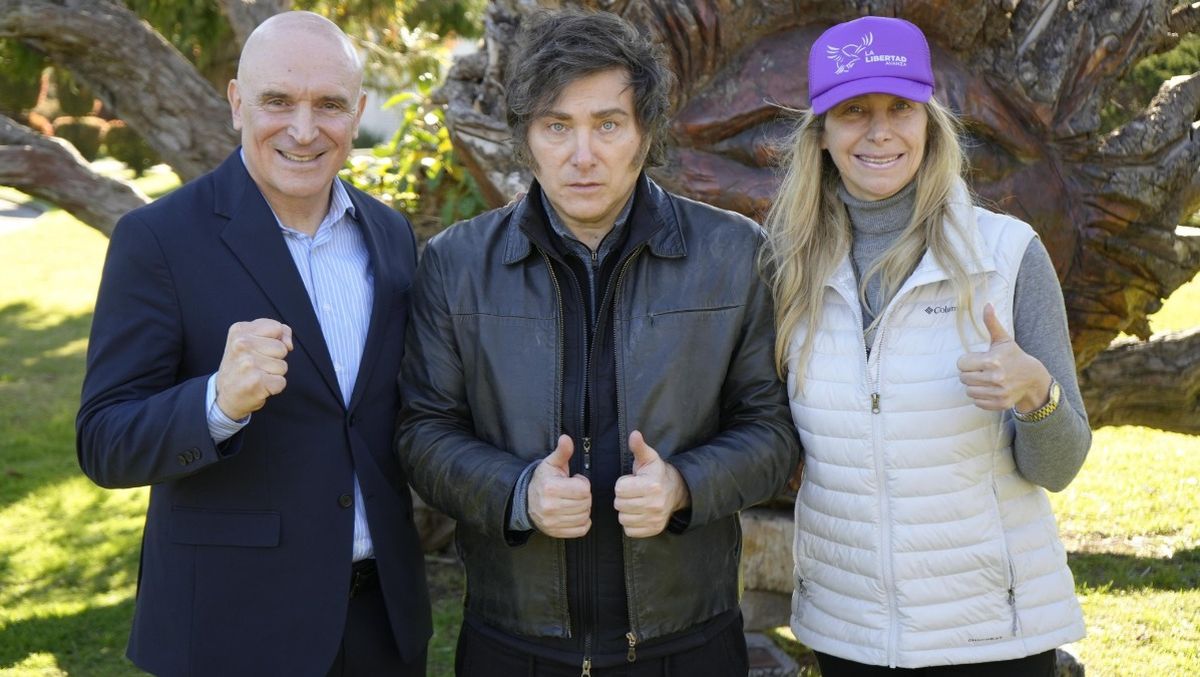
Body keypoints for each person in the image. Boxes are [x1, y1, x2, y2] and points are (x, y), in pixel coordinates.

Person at [395, 8, 800, 676]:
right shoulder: (456, 262)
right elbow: (423, 430)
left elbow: (773, 428)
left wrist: (683, 485)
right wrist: (517, 491)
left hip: (687, 642)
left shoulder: (734, 253)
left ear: (645, 133)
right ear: (527, 136)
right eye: (558, 126)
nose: (583, 154)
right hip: (513, 643)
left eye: (608, 124)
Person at [75, 12, 431, 676]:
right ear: (238, 103)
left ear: (356, 113)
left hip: (382, 622)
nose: (303, 130)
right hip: (233, 627)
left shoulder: (389, 234)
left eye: (328, 104)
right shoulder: (158, 240)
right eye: (278, 102)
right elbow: (103, 439)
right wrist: (217, 401)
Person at [762, 15, 1090, 676]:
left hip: (992, 635)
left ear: (929, 124)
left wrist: (1037, 394)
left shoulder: (1006, 255)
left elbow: (1060, 465)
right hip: (847, 632)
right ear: (821, 133)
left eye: (901, 108)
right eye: (854, 111)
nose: (879, 131)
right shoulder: (785, 269)